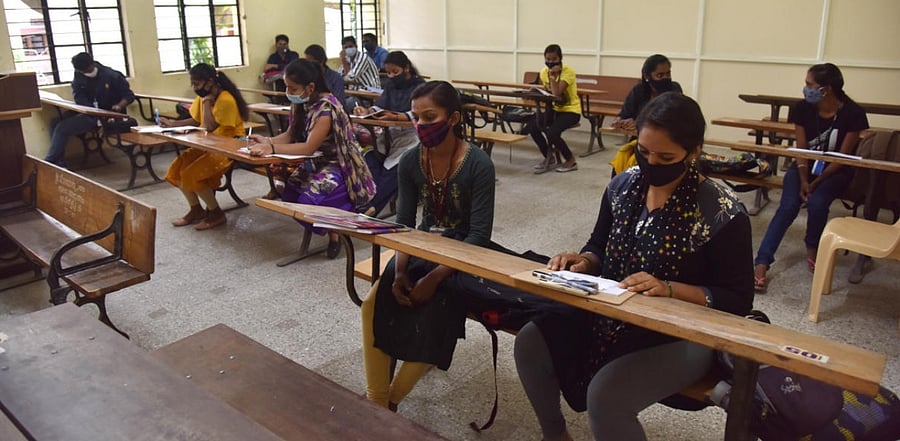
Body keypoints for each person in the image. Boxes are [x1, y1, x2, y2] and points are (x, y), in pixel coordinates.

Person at [514, 93, 754, 441]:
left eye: (666, 156)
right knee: (530, 342)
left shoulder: (720, 212)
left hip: (682, 330)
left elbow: (736, 299)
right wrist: (583, 261)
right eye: (644, 151)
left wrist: (669, 288)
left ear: (695, 151)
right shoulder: (624, 185)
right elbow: (599, 245)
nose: (652, 162)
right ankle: (555, 435)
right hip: (613, 309)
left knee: (606, 397)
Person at [361, 80, 496, 410]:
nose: (421, 125)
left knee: (436, 315)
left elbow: (478, 235)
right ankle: (375, 399)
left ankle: (388, 401)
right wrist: (400, 272)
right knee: (372, 306)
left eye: (430, 117)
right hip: (422, 245)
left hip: (465, 255)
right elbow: (405, 225)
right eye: (416, 117)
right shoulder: (410, 162)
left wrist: (433, 278)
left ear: (453, 119)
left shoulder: (479, 164)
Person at [753, 63, 868, 292]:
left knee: (818, 202)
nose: (806, 89)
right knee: (787, 206)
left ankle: (812, 246)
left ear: (826, 89)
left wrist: (816, 182)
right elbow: (802, 149)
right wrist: (805, 179)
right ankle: (762, 261)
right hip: (804, 166)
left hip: (836, 170)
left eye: (809, 85)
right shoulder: (802, 109)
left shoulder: (853, 113)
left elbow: (842, 157)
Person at [247, 59, 375, 258]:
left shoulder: (326, 109)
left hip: (339, 164)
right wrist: (266, 140)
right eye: (287, 87)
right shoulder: (302, 103)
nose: (289, 92)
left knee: (309, 203)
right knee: (289, 196)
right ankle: (334, 227)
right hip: (318, 161)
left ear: (311, 87)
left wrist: (270, 147)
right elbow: (291, 135)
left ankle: (338, 228)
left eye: (292, 88)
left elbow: (308, 147)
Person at [162, 63, 249, 231]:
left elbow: (209, 126)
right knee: (178, 167)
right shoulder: (204, 97)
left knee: (192, 173)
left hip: (230, 147)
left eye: (197, 83)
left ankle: (216, 213)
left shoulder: (225, 99)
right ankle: (196, 209)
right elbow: (196, 120)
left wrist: (208, 102)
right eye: (193, 83)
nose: (195, 87)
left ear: (210, 82)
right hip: (210, 143)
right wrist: (173, 124)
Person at [353, 51, 426, 216]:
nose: (392, 76)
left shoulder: (420, 86)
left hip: (411, 138)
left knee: (392, 173)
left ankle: (369, 211)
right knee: (369, 162)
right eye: (389, 72)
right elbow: (380, 105)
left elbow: (420, 112)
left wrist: (398, 116)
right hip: (387, 136)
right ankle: (363, 204)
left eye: (395, 72)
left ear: (406, 68)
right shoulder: (391, 85)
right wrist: (366, 110)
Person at [45, 52, 134, 167]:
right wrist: (86, 107)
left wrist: (119, 105)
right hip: (87, 110)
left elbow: (129, 96)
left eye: (86, 70)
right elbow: (78, 94)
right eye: (82, 72)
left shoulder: (112, 75)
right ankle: (59, 162)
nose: (84, 73)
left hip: (105, 115)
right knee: (55, 122)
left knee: (62, 128)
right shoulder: (79, 74)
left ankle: (50, 162)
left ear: (92, 65)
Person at [530, 44, 580, 174]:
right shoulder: (543, 72)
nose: (550, 62)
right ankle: (549, 157)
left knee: (552, 132)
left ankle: (570, 160)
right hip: (554, 109)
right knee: (533, 126)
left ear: (560, 58)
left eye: (554, 59)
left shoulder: (568, 72)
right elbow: (548, 93)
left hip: (571, 110)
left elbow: (557, 94)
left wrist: (553, 76)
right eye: (548, 59)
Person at [611, 54, 684, 132]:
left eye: (668, 74)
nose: (665, 78)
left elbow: (672, 120)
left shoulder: (674, 89)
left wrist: (638, 124)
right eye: (660, 75)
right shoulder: (639, 90)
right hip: (640, 137)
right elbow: (625, 114)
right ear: (647, 76)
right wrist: (619, 121)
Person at [339, 35, 381, 109]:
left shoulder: (363, 58)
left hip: (370, 93)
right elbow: (339, 77)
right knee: (335, 100)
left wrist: (343, 61)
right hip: (356, 92)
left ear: (356, 46)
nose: (348, 49)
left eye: (350, 46)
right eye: (345, 47)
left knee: (346, 104)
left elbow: (350, 78)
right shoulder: (347, 59)